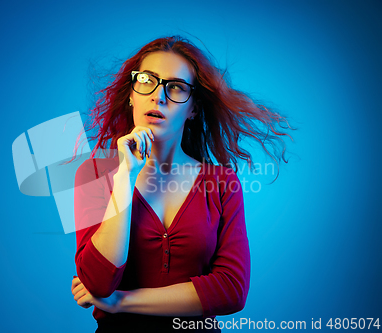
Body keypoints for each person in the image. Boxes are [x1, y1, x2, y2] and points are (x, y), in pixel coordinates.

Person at [70, 36, 293, 332]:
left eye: (175, 87)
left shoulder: (222, 182)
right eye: (147, 80)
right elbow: (99, 280)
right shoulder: (93, 173)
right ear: (131, 95)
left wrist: (120, 301)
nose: (157, 97)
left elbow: (232, 290)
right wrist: (125, 176)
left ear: (193, 109)